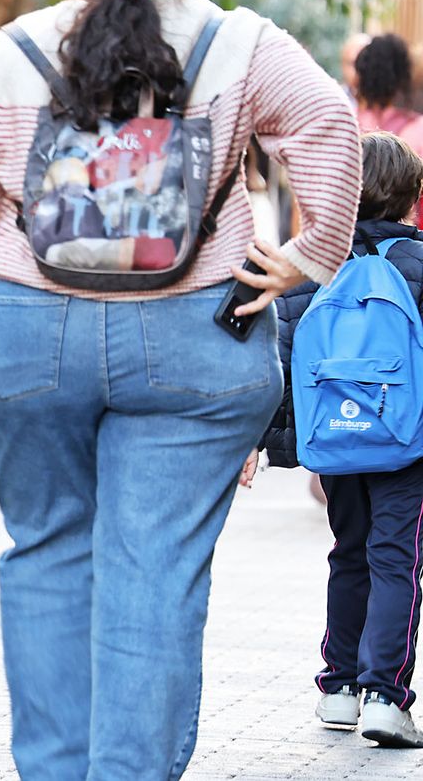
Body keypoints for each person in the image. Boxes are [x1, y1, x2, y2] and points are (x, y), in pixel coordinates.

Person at [0, 0, 360, 779]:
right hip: (191, 339)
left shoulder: (17, 47)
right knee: (154, 572)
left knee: (45, 549)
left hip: (27, 334)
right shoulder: (240, 44)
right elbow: (330, 124)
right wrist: (309, 256)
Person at [246, 131, 423, 748]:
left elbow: (280, 351)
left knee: (350, 552)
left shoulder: (311, 265)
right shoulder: (419, 263)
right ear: (412, 198)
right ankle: (385, 696)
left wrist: (261, 439)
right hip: (406, 443)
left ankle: (340, 690)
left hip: (338, 437)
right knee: (395, 556)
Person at [353, 33, 423, 219]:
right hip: (407, 238)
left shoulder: (349, 124)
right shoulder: (417, 129)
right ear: (404, 75)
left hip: (351, 235)